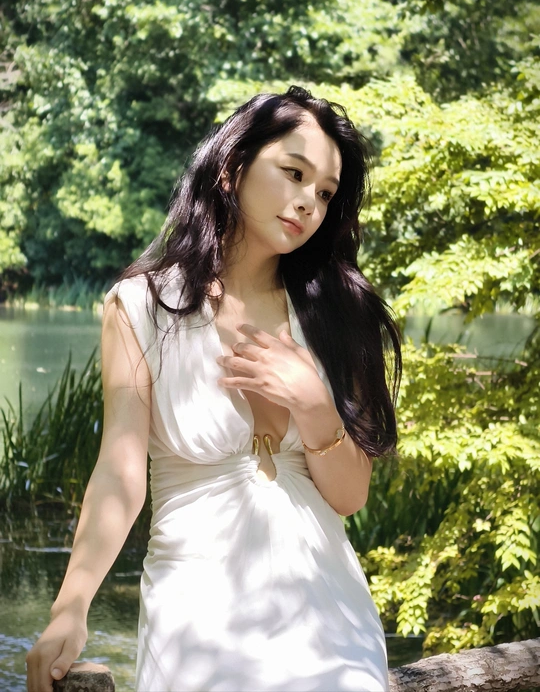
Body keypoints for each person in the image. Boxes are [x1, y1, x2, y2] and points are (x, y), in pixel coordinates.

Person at [26, 86, 401, 692]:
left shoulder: (335, 315)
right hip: (197, 604)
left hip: (323, 601)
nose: (308, 202)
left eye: (325, 193)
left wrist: (313, 404)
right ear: (232, 168)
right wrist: (70, 607)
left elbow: (350, 496)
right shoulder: (143, 306)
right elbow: (120, 470)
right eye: (294, 173)